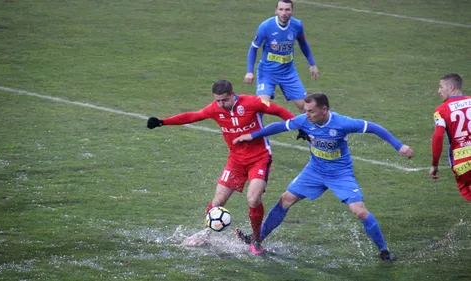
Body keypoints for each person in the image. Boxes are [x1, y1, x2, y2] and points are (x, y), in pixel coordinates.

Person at [232, 92, 414, 261]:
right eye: (305, 110)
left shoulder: (342, 123)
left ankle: (384, 250)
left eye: (311, 111)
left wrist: (400, 146)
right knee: (285, 200)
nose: (307, 114)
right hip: (314, 170)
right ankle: (257, 239)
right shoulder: (304, 121)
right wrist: (252, 135)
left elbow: (373, 127)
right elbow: (279, 126)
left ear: (324, 109)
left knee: (359, 211)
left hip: (340, 174)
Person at [146, 79, 296, 254]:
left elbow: (278, 110)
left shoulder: (251, 103)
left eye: (224, 100)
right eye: (217, 100)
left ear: (233, 94)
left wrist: (298, 124)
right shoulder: (215, 108)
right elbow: (192, 116)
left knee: (253, 199)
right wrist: (162, 122)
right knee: (218, 201)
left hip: (259, 158)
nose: (220, 104)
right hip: (235, 161)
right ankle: (206, 232)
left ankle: (256, 239)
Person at [245, 0, 319, 113]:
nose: (284, 13)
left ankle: (305, 131)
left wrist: (312, 64)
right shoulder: (266, 26)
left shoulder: (297, 25)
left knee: (306, 107)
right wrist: (250, 71)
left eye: (287, 9)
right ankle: (257, 131)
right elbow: (253, 48)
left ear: (292, 11)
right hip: (268, 73)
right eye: (281, 9)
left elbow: (303, 43)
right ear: (276, 11)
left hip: (288, 73)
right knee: (261, 106)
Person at [430, 73, 471, 201]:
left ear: (451, 88)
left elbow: (438, 136)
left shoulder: (441, 110)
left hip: (463, 163)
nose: (439, 91)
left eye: (441, 87)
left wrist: (435, 164)